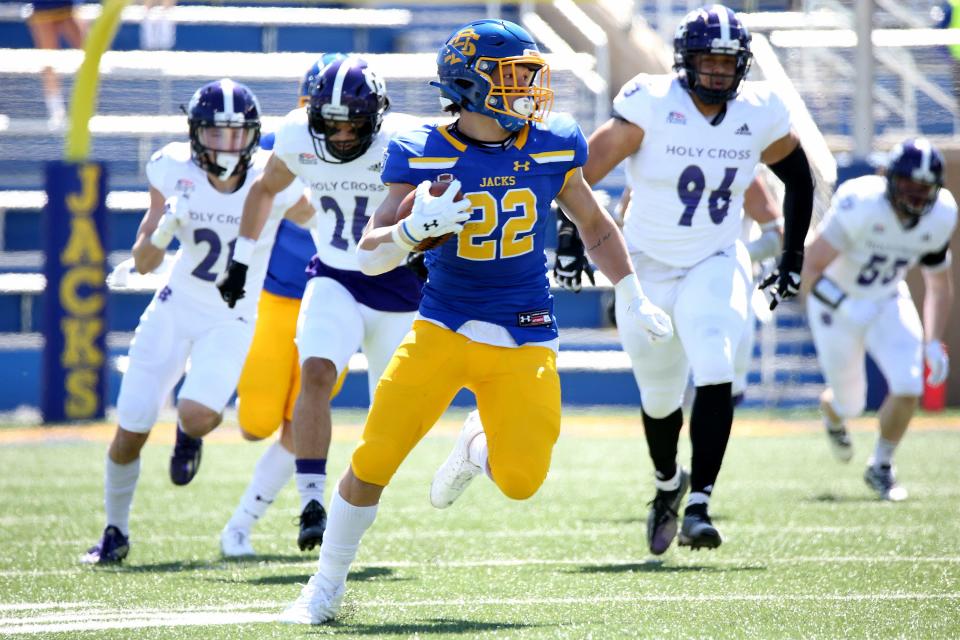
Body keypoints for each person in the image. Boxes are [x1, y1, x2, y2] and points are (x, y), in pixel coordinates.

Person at [276, 18, 673, 625]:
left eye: (531, 77)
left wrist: (633, 292)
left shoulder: (551, 143)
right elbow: (369, 250)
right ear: (469, 83)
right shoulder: (421, 149)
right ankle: (324, 587)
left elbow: (593, 224)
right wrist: (413, 231)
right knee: (375, 459)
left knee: (522, 480)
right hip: (444, 327)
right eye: (515, 78)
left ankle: (475, 445)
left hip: (525, 330)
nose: (530, 91)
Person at [580, 3, 815, 553]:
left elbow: (799, 181)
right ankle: (668, 484)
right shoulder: (651, 102)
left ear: (744, 65)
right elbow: (580, 173)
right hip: (644, 264)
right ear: (685, 61)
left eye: (729, 61)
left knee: (714, 359)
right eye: (708, 60)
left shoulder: (758, 111)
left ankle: (701, 502)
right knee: (659, 395)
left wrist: (793, 255)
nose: (717, 71)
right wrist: (572, 240)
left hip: (714, 256)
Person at [81, 79, 308, 564]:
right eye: (216, 133)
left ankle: (188, 432)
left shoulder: (274, 176)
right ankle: (115, 532)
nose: (227, 145)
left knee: (198, 416)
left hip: (233, 316)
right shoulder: (171, 167)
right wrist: (162, 231)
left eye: (236, 134)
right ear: (195, 133)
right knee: (131, 430)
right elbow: (143, 262)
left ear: (252, 135)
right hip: (175, 305)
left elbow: (323, 217)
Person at [216, 56, 426, 553]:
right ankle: (312, 502)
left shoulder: (408, 139)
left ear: (376, 114)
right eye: (330, 123)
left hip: (399, 289)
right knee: (314, 375)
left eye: (354, 122)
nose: (342, 134)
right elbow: (266, 188)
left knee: (395, 421)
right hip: (334, 276)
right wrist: (242, 259)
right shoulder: (293, 136)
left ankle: (343, 503)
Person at [219, 54, 349, 558]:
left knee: (303, 421)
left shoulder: (379, 151)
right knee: (254, 423)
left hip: (337, 297)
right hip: (278, 297)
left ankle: (241, 523)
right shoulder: (280, 145)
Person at [802, 138, 955, 501]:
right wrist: (845, 305)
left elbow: (938, 284)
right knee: (852, 403)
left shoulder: (941, 215)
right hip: (834, 303)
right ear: (889, 178)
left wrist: (933, 340)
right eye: (908, 187)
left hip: (887, 297)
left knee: (909, 384)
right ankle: (833, 409)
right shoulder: (862, 204)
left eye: (924, 190)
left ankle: (881, 466)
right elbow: (810, 270)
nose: (916, 198)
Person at [25, 0, 85, 128]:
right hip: (43, 8)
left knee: (88, 54)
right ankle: (56, 110)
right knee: (48, 59)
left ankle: (84, 102)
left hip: (67, 7)